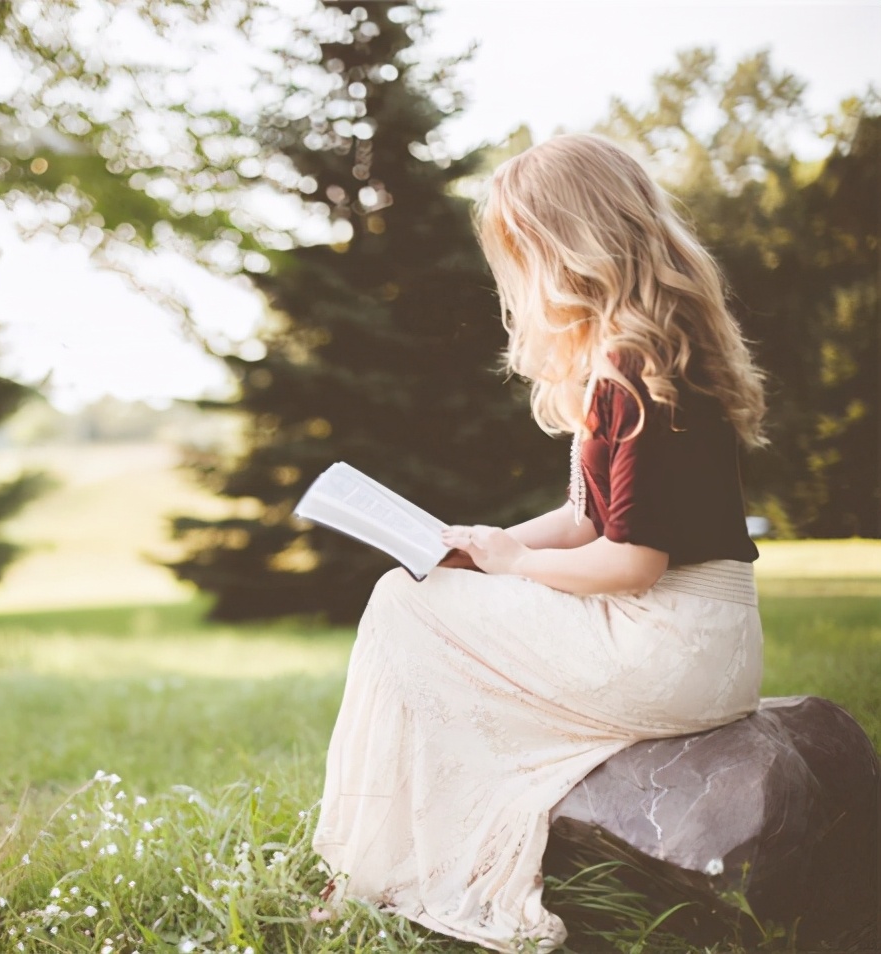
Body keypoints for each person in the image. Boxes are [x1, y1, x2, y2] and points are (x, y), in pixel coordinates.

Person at [310, 133, 768, 953]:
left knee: (400, 605)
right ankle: (387, 859)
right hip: (705, 640)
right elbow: (587, 519)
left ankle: (380, 868)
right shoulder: (644, 349)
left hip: (671, 641)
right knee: (422, 594)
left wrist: (516, 568)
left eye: (522, 251)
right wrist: (484, 543)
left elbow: (632, 562)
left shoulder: (633, 364)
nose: (516, 278)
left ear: (569, 244)